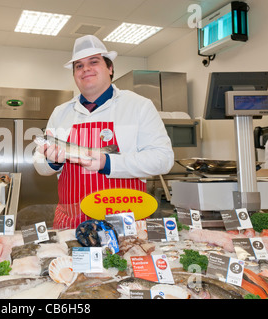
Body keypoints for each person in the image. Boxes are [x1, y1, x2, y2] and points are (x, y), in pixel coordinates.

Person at [33, 35, 174, 230]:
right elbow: (38, 163)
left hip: (126, 223)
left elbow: (163, 159)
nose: (85, 69)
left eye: (93, 62)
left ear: (110, 68)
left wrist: (108, 163)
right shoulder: (61, 112)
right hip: (73, 223)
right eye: (79, 66)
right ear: (74, 74)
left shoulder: (138, 106)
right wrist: (51, 161)